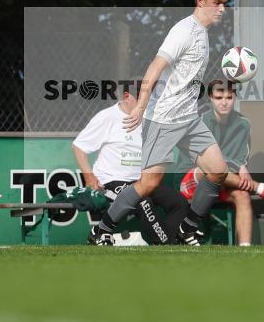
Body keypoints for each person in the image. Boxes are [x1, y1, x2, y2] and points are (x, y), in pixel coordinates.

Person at [87, 0, 230, 246]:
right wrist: (141, 106)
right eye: (217, 3)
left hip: (188, 118)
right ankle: (101, 230)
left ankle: (187, 227)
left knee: (218, 170)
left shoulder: (203, 32)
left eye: (225, 3)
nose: (222, 9)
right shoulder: (184, 31)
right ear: (201, 2)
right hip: (163, 119)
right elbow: (155, 67)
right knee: (148, 185)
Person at [176, 81, 264, 245]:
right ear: (211, 98)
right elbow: (209, 160)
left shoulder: (243, 124)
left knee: (242, 195)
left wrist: (240, 165)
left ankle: (244, 252)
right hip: (194, 180)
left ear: (235, 98)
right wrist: (239, 166)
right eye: (219, 97)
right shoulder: (200, 122)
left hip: (225, 182)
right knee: (211, 169)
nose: (224, 102)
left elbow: (240, 159)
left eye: (229, 97)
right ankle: (263, 188)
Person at [73, 82, 188, 244]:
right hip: (111, 181)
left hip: (143, 181)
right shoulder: (108, 116)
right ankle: (165, 244)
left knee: (180, 204)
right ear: (127, 97)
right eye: (142, 98)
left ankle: (166, 242)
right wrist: (89, 177)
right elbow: (79, 146)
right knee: (142, 202)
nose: (147, 103)